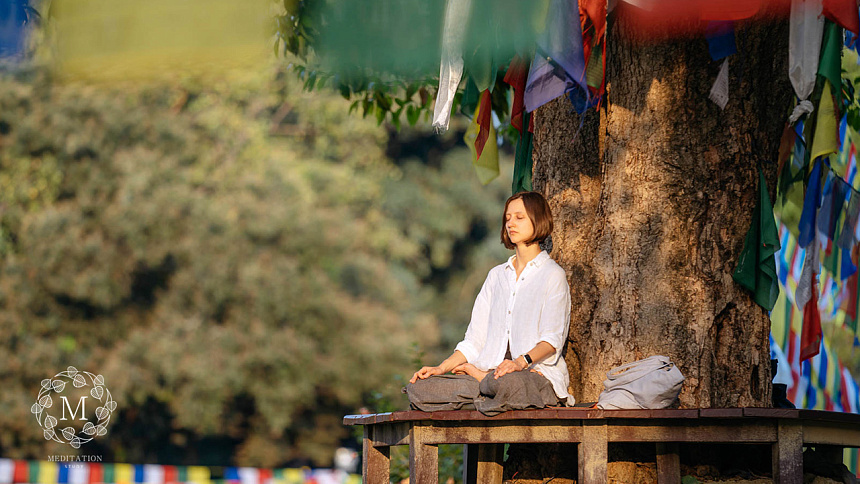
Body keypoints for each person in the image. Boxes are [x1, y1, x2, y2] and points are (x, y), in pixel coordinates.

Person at [405, 191, 573, 415]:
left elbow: (552, 341)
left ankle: (483, 385)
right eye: (507, 218)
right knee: (420, 389)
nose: (510, 223)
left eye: (519, 217)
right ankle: (486, 389)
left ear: (538, 220)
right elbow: (474, 341)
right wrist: (441, 367)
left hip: (532, 376)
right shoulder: (496, 276)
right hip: (491, 374)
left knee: (511, 384)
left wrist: (518, 363)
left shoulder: (552, 275)